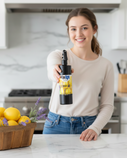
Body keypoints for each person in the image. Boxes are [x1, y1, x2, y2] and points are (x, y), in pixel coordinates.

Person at [43, 8, 114, 141]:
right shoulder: (58, 56)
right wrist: (56, 72)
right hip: (55, 125)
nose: (78, 34)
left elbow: (107, 105)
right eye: (73, 29)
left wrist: (95, 128)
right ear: (68, 31)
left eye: (84, 28)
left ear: (94, 29)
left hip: (87, 127)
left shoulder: (105, 65)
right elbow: (52, 71)